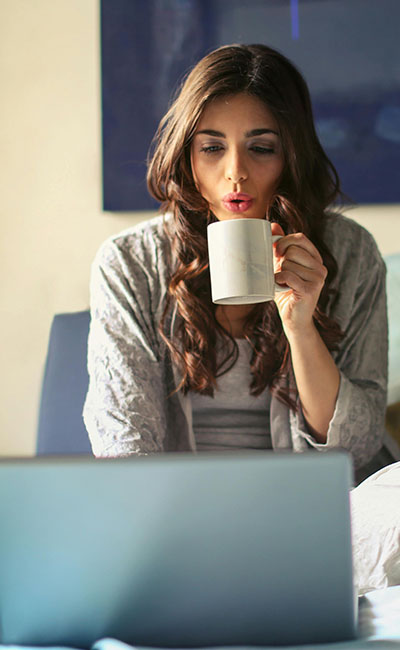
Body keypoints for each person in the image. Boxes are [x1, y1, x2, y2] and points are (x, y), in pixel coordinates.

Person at [83, 43, 388, 477]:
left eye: (261, 148)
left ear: (292, 156)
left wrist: (300, 326)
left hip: (308, 501)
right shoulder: (130, 264)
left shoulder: (351, 253)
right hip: (178, 504)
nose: (236, 171)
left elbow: (356, 449)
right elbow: (123, 444)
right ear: (186, 156)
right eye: (212, 148)